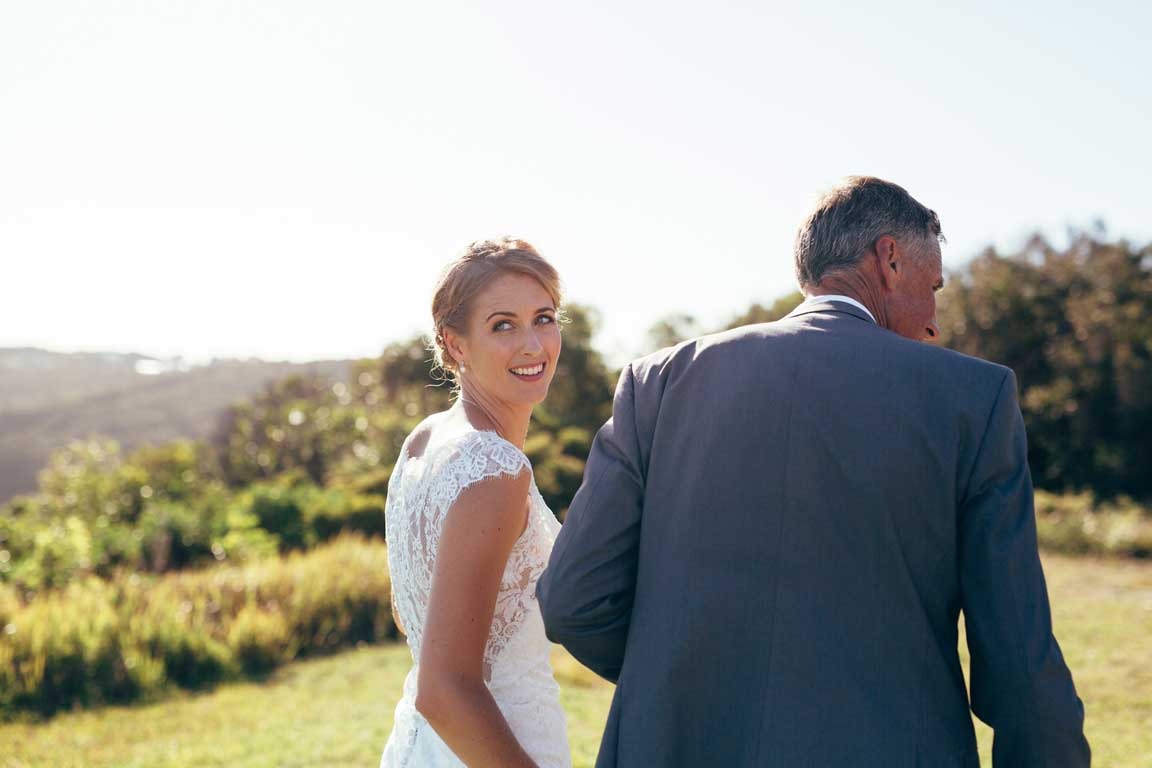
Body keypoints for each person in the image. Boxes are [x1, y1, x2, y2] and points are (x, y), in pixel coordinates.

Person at [537, 177, 1090, 767]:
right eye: (934, 288)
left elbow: (574, 599)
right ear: (890, 258)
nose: (933, 322)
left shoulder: (659, 381)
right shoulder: (973, 397)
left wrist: (686, 676)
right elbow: (1018, 658)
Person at [380, 238, 571, 768]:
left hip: (423, 747)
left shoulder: (422, 441)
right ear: (455, 344)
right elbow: (444, 690)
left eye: (545, 318)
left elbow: (410, 612)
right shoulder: (495, 470)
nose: (533, 345)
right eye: (503, 325)